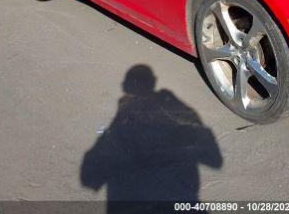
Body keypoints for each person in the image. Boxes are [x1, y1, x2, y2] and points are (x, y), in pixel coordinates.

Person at [81, 65, 222, 209]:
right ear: (153, 82)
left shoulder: (125, 116)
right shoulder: (171, 107)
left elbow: (89, 176)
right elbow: (213, 156)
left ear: (125, 87)